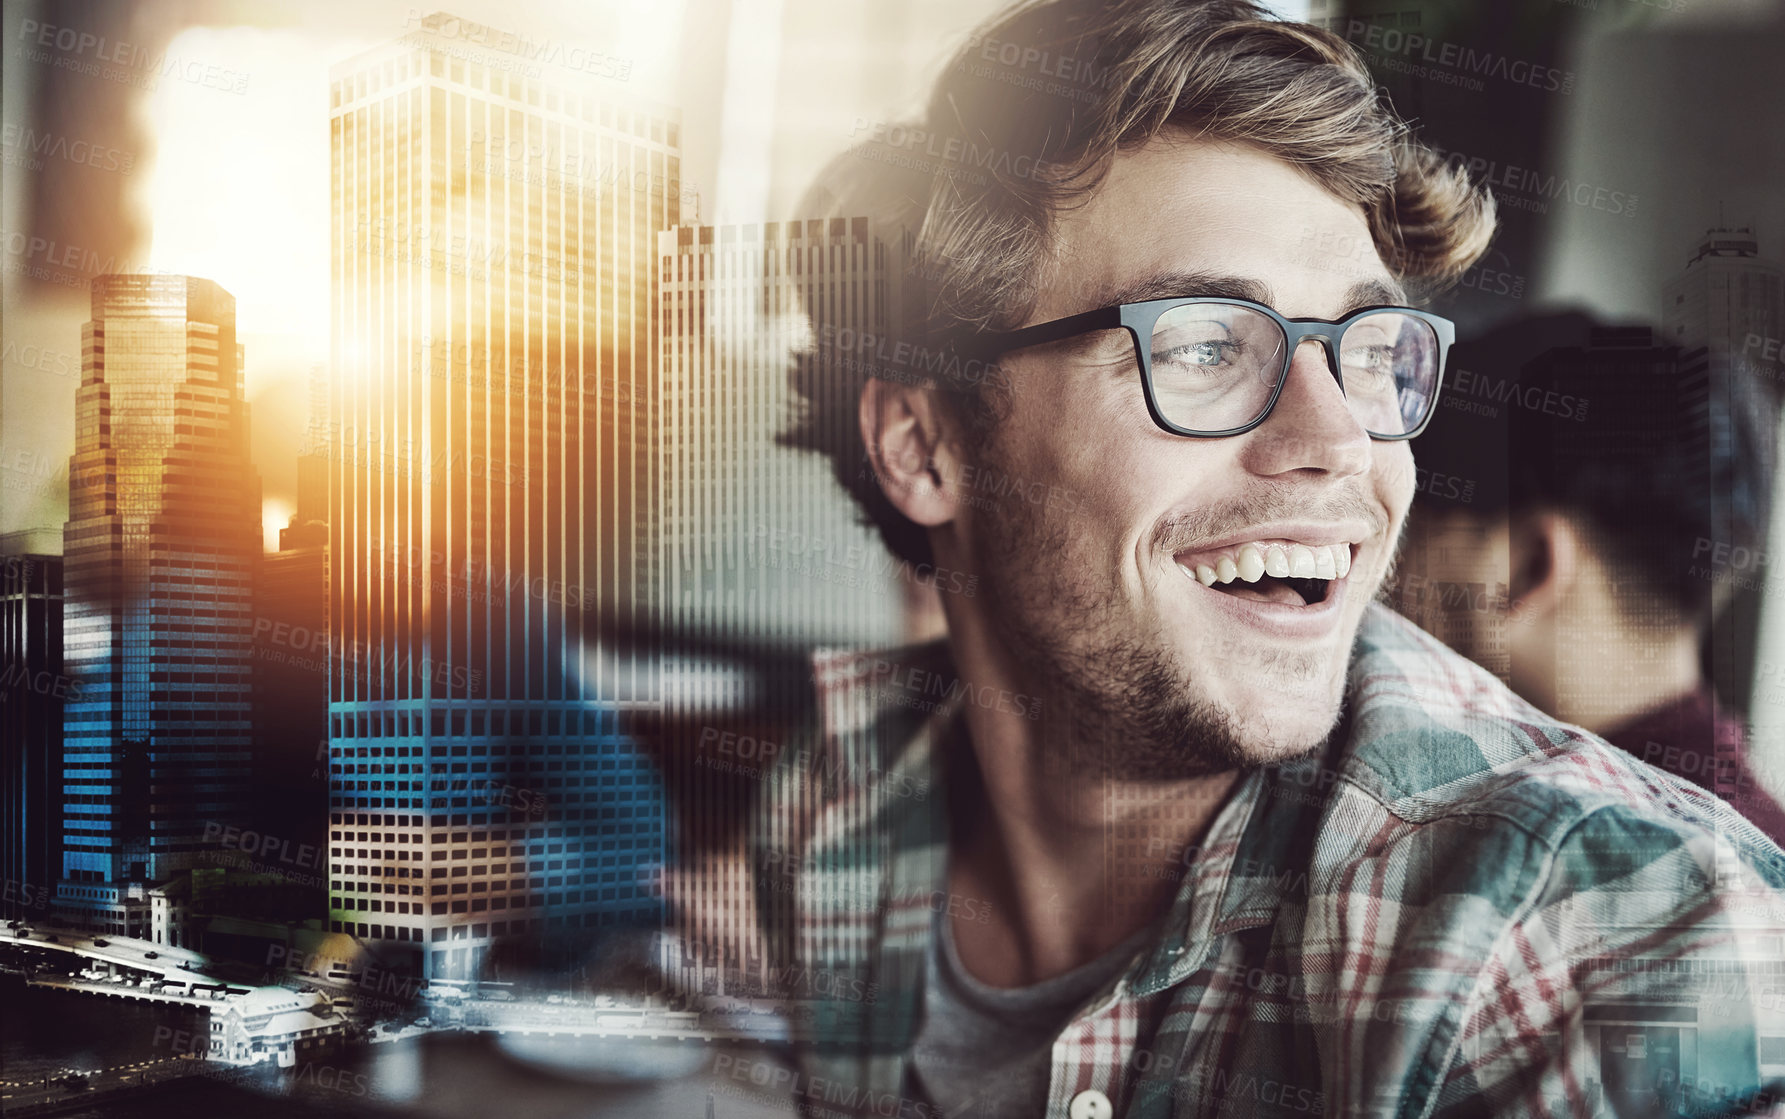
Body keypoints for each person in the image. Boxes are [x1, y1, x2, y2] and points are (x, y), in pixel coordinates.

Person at [663, 2, 1785, 1116]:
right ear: (925, 444)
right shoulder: (835, 811)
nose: (1342, 442)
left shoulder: (1610, 941)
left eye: (1371, 348)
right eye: (1203, 345)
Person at [1392, 312, 1785, 846]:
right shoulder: (1753, 836)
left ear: (1528, 567)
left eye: (1409, 528)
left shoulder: (1550, 851)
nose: (1382, 572)